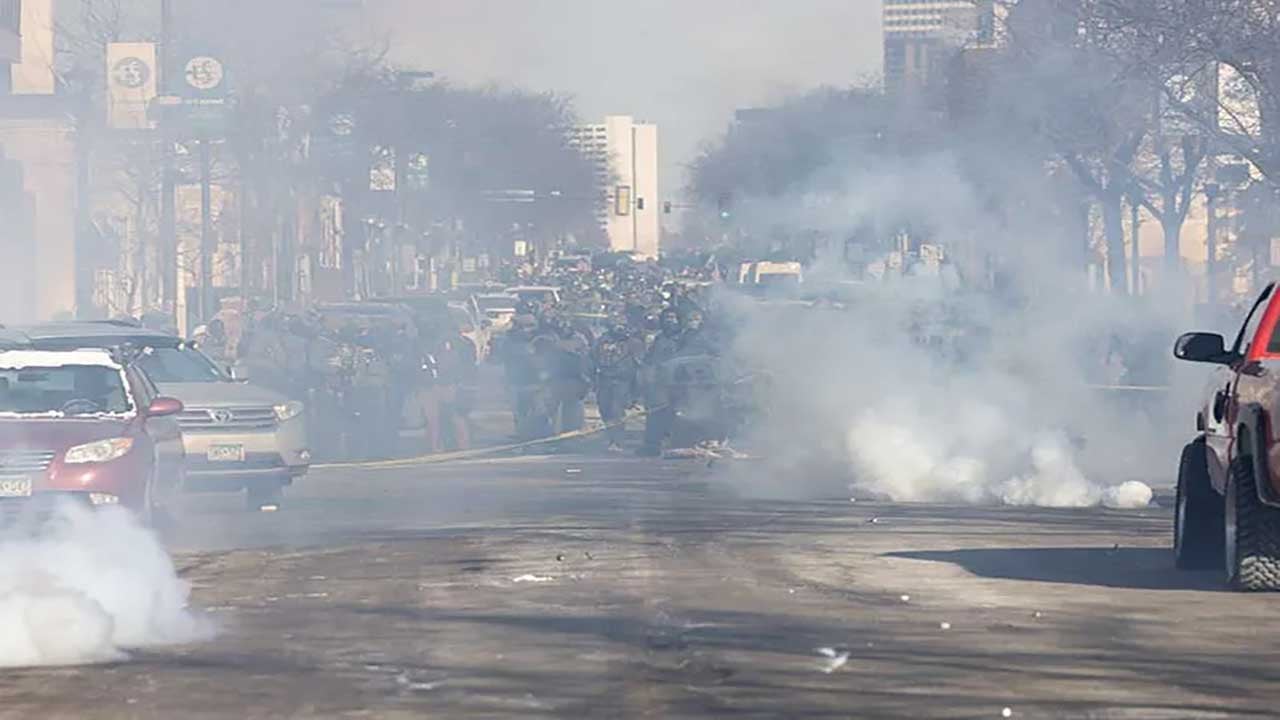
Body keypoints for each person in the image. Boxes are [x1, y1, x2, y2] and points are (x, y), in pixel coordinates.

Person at [638, 308, 685, 456]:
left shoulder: (684, 338)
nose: (670, 320)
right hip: (659, 384)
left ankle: (677, 446)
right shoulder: (659, 338)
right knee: (654, 416)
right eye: (667, 317)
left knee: (677, 417)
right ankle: (652, 445)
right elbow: (649, 360)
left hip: (679, 384)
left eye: (673, 317)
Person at [593, 318, 645, 452]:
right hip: (604, 380)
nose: (619, 327)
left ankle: (618, 441)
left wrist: (636, 390)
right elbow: (592, 358)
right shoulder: (601, 341)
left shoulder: (634, 343)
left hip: (622, 381)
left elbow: (639, 367)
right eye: (616, 323)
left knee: (617, 410)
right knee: (605, 410)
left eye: (622, 324)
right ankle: (610, 438)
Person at [421, 329, 476, 453]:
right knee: (440, 418)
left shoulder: (447, 349)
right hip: (443, 385)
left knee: (446, 417)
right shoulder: (458, 345)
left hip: (444, 385)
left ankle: (443, 446)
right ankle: (457, 446)